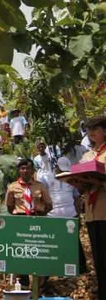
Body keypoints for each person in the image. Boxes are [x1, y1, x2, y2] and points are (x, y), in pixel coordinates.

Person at [72, 116, 106, 299]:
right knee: (98, 258)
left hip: (105, 211)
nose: (91, 133)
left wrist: (99, 183)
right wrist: (78, 183)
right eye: (89, 130)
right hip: (92, 213)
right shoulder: (87, 155)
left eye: (96, 129)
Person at [5, 158, 52, 288]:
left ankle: (41, 282)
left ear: (33, 170)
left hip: (37, 220)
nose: (25, 171)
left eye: (28, 168)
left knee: (39, 250)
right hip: (20, 221)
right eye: (22, 168)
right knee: (22, 252)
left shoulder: (40, 186)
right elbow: (9, 206)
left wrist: (40, 213)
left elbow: (49, 204)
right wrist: (19, 214)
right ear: (19, 171)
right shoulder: (13, 187)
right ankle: (23, 282)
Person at [46, 157, 87, 274]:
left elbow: (76, 198)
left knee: (74, 242)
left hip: (70, 214)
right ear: (56, 167)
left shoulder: (71, 179)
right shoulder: (47, 177)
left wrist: (78, 216)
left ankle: (82, 268)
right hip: (53, 215)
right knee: (53, 242)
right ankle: (55, 268)